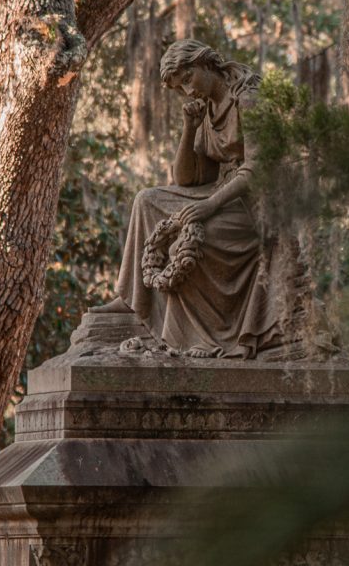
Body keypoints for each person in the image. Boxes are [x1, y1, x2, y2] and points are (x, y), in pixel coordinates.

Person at [91, 40, 282, 359]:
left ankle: (195, 333)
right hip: (223, 191)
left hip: (257, 203)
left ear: (206, 64)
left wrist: (210, 206)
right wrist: (189, 126)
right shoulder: (206, 109)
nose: (188, 91)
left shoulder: (248, 98)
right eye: (180, 87)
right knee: (146, 199)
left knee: (190, 235)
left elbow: (258, 168)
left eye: (188, 79)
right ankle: (132, 299)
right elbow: (191, 179)